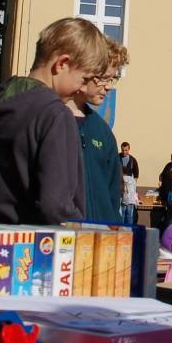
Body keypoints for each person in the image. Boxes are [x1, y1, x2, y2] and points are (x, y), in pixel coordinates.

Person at [0, 17, 109, 225]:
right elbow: (56, 204)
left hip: (5, 239)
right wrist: (81, 233)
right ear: (62, 64)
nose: (82, 89)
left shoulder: (7, 103)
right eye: (84, 79)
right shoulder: (56, 115)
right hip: (46, 246)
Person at [68, 38, 127, 223]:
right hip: (58, 239)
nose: (108, 86)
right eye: (104, 78)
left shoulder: (102, 131)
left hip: (100, 237)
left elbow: (113, 192)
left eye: (112, 79)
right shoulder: (50, 121)